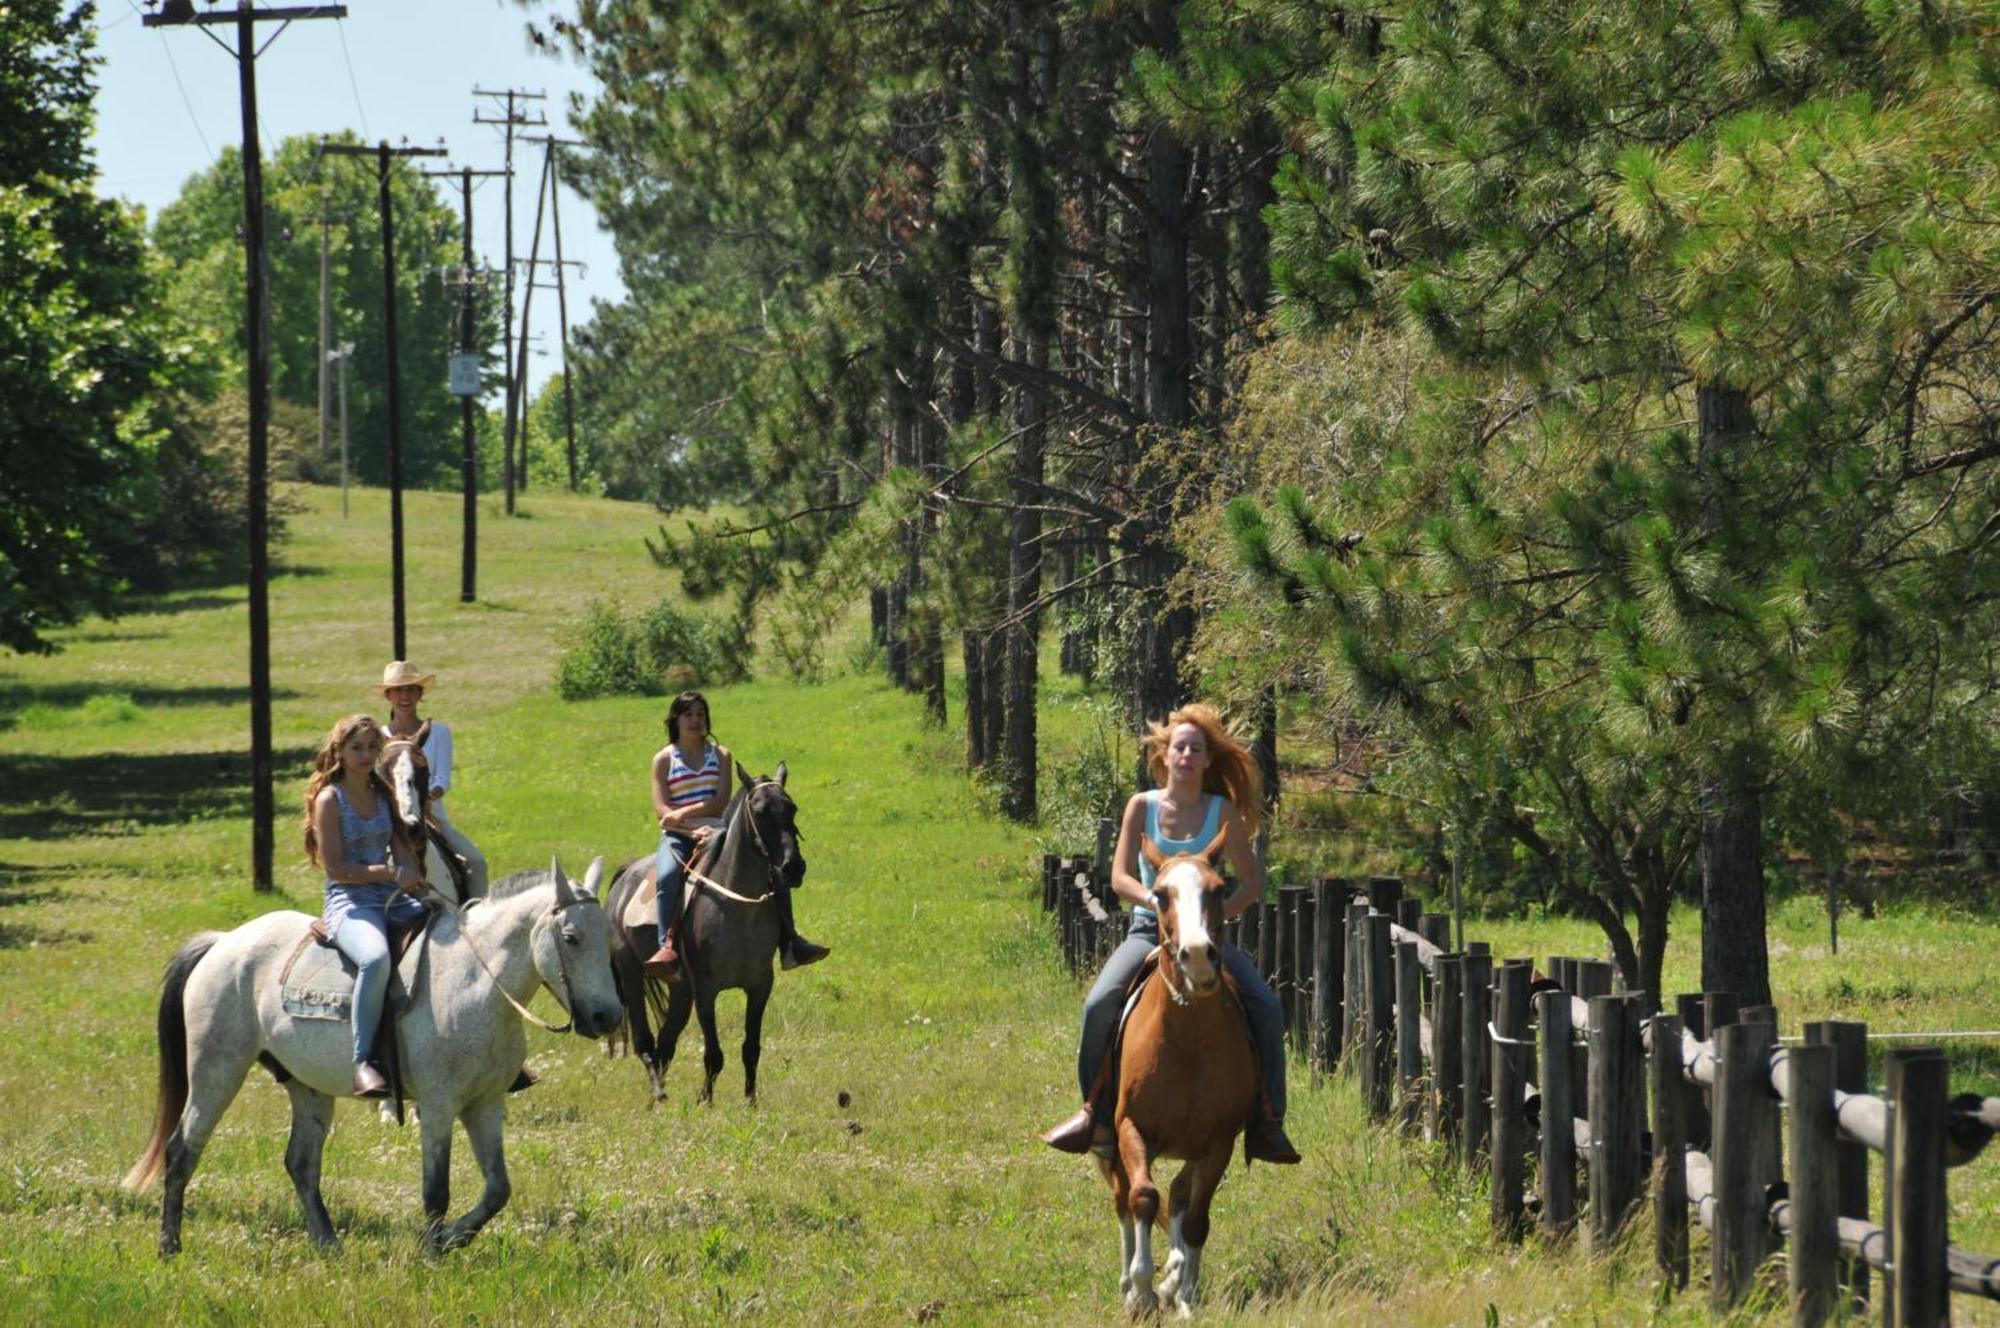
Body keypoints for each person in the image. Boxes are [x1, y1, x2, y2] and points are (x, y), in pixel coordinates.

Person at [1039, 703, 1300, 1164]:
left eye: (1196, 749)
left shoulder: (1223, 813)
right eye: (1179, 747)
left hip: (1208, 941)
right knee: (1099, 1002)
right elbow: (1120, 877)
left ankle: (1268, 1119)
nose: (1186, 755)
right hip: (1149, 933)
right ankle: (1095, 1114)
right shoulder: (1142, 806)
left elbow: (1251, 883)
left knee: (1265, 1004)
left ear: (1206, 760)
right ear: (1166, 755)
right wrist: (1161, 907)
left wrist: (1213, 922)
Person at [643, 691, 828, 979]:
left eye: (701, 714)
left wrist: (685, 813)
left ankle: (791, 941)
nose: (696, 720)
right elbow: (661, 810)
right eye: (689, 714)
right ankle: (666, 947)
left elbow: (720, 801)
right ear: (676, 719)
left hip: (717, 828)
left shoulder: (720, 755)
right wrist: (686, 824)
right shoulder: (663, 759)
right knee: (667, 875)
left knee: (771, 869)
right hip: (678, 834)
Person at [303, 713, 430, 1098]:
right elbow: (337, 869)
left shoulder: (381, 795)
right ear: (339, 750)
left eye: (372, 748)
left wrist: (409, 869)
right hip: (350, 902)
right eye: (356, 747)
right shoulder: (330, 799)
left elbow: (404, 851)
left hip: (392, 898)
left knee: (451, 930)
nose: (365, 755)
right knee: (375, 959)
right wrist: (389, 873)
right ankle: (364, 1061)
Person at [377, 660, 488, 897]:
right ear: (388, 695)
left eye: (411, 689)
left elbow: (442, 778)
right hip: (387, 822)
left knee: (477, 863)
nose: (405, 696)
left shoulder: (439, 732)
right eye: (398, 690)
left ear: (420, 694)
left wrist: (427, 796)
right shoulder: (377, 738)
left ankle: (477, 918)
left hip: (432, 817)